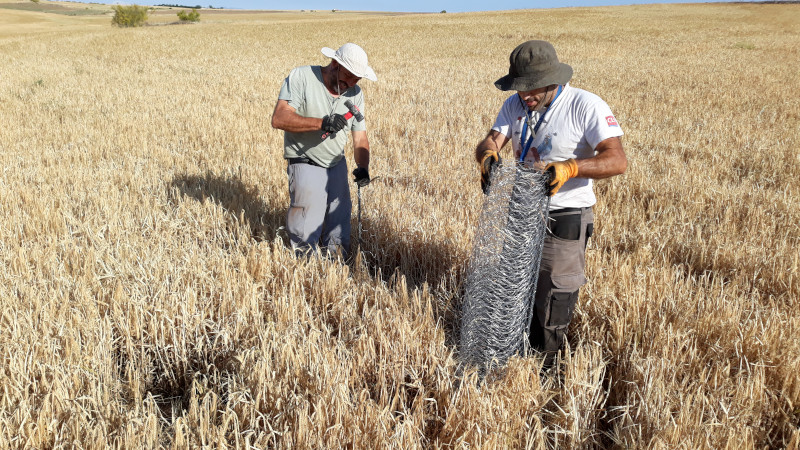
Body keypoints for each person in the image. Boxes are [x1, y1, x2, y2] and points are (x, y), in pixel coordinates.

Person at [475, 40, 627, 366]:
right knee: (516, 290)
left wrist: (572, 167)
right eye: (520, 89)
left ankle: (546, 370)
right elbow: (492, 139)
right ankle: (514, 358)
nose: (525, 96)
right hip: (522, 212)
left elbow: (617, 160)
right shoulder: (515, 105)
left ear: (553, 80)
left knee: (553, 299)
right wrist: (488, 155)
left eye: (533, 89)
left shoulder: (585, 106)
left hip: (566, 215)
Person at [271, 43, 376, 258]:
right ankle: (304, 273)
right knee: (306, 226)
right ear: (335, 64)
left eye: (357, 79)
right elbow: (279, 118)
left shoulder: (355, 93)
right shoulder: (302, 77)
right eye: (348, 76)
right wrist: (322, 123)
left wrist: (363, 167)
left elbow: (360, 136)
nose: (351, 84)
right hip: (305, 160)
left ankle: (336, 274)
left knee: (340, 226)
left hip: (336, 164)